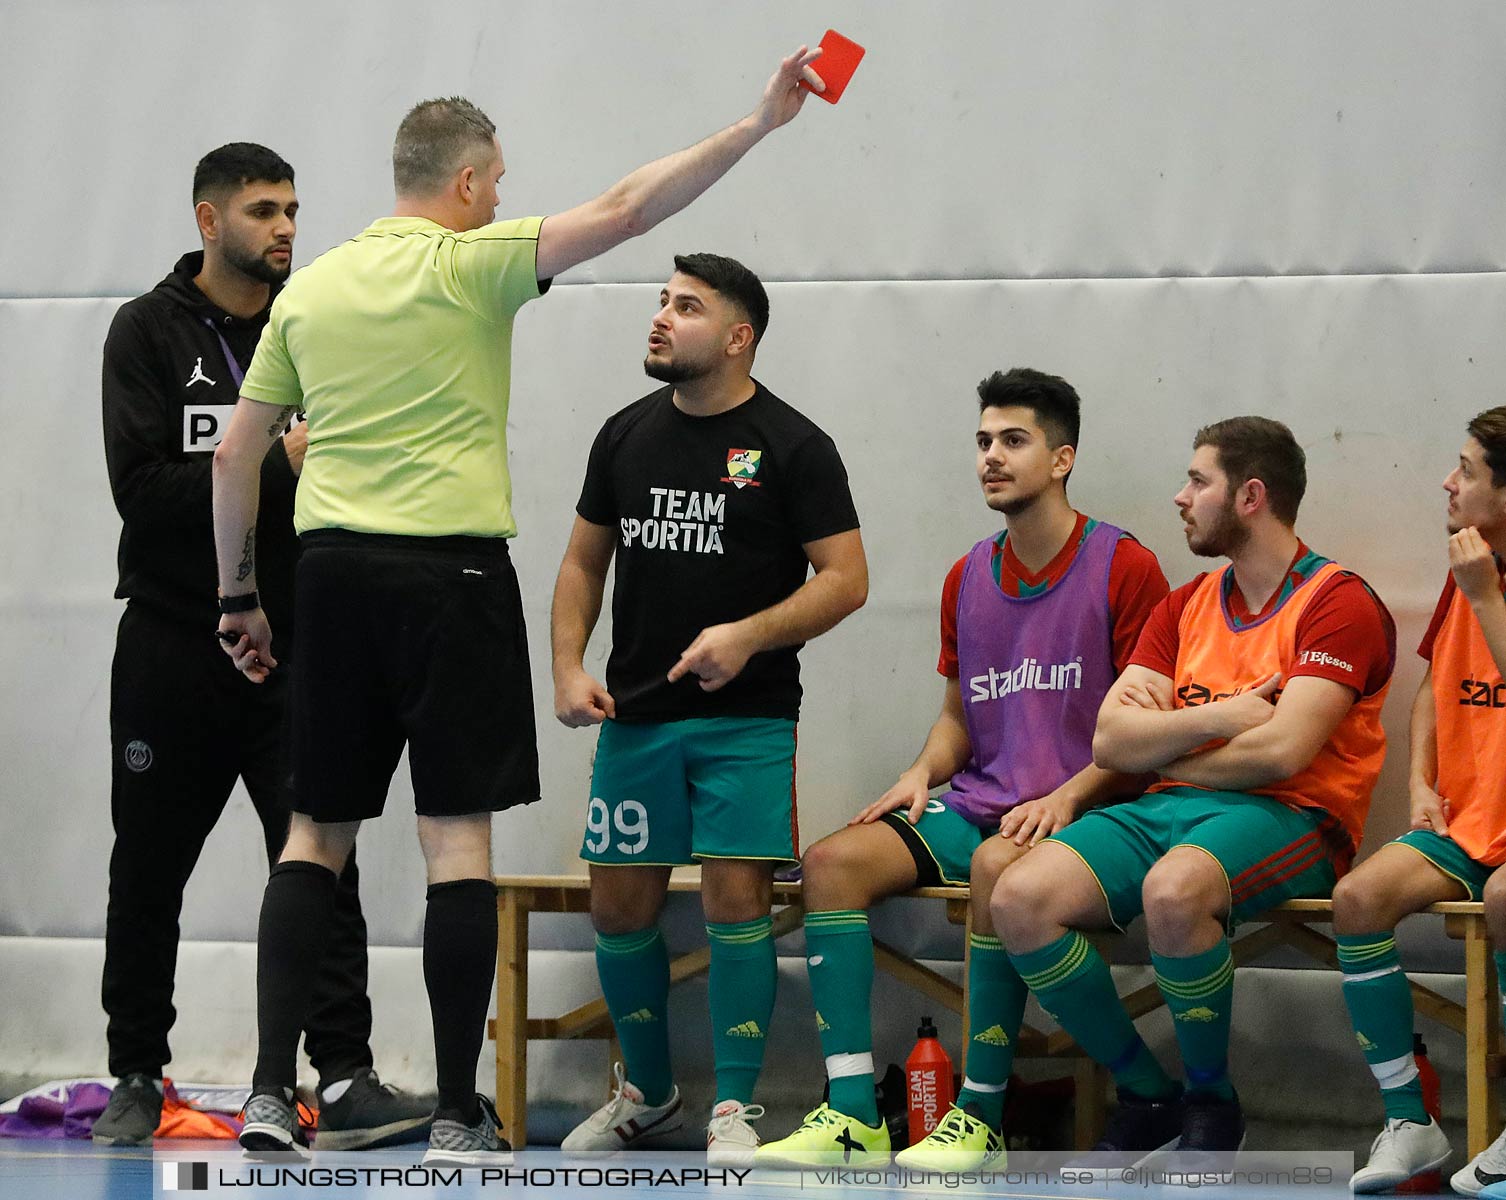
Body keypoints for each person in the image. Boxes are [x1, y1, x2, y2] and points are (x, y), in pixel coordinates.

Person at [210, 49, 832, 1168]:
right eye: (495, 183)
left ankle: (267, 1094)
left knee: (313, 837)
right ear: (462, 184)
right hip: (449, 583)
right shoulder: (471, 262)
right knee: (457, 845)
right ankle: (456, 1108)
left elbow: (238, 458)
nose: (501, 199)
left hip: (332, 578)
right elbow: (633, 205)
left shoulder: (309, 288)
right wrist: (756, 123)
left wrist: (240, 596)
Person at [95, 143, 427, 1149]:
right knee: (148, 867)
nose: (286, 227)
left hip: (298, 648)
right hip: (174, 645)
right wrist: (266, 467)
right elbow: (145, 501)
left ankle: (345, 1075)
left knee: (325, 864)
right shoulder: (147, 333)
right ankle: (136, 1073)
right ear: (208, 221)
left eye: (293, 209)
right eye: (262, 210)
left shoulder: (315, 327)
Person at [754, 369, 1168, 1168]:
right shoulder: (967, 575)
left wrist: (1072, 794)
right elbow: (960, 717)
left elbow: (1148, 733)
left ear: (1062, 459)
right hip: (984, 799)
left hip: (1094, 809)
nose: (991, 457)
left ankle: (978, 1116)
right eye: (983, 441)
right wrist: (921, 772)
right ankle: (853, 1118)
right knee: (831, 865)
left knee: (993, 867)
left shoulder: (1125, 567)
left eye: (1014, 441)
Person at [994, 416, 1396, 1157]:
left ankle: (1212, 1105)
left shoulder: (1338, 602)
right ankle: (1150, 1094)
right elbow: (1111, 741)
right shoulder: (1185, 604)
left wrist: (1170, 746)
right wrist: (1226, 716)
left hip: (1293, 816)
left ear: (1250, 495)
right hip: (1168, 809)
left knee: (1175, 892)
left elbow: (1283, 752)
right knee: (1019, 898)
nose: (1180, 497)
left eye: (1197, 481)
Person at [550, 253, 866, 1165]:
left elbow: (847, 580)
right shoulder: (623, 435)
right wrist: (569, 666)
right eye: (660, 301)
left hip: (748, 719)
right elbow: (582, 563)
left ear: (738, 338)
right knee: (619, 907)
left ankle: (734, 1109)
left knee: (737, 901)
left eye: (685, 307)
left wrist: (750, 634)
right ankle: (647, 1096)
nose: (660, 317)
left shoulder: (795, 446)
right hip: (637, 717)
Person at [1336, 409, 1506, 1195]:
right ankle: (1410, 1121)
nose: (1448, 481)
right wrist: (1418, 782)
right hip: (1466, 823)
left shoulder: (1478, 576)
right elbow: (1435, 692)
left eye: (1466, 470)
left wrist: (1487, 596)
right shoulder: (1467, 569)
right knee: (1359, 897)